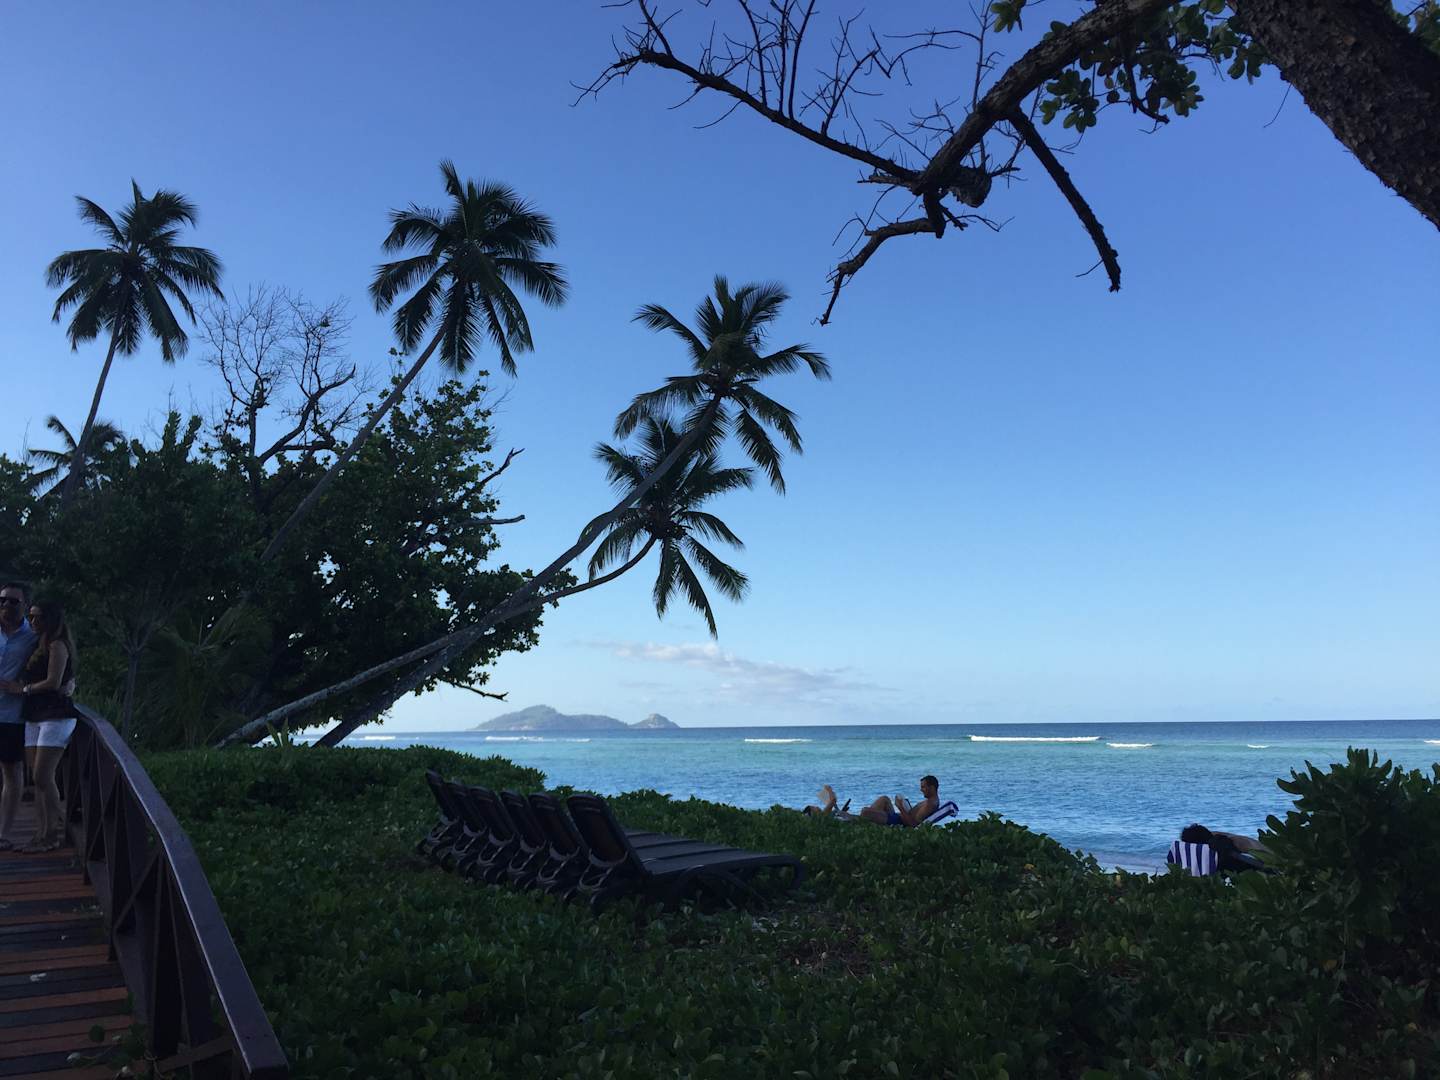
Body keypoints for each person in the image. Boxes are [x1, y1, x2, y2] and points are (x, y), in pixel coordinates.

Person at [11, 598, 79, 853]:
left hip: (55, 715)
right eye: (31, 616)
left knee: (42, 775)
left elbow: (53, 681)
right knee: (38, 780)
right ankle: (40, 834)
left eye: (38, 617)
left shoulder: (57, 644)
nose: (33, 621)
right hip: (34, 715)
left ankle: (52, 834)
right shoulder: (38, 644)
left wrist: (24, 689)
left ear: (51, 619)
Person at [0, 581, 38, 852]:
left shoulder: (33, 636)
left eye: (13, 601)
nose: (6, 605)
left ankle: (3, 833)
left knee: (11, 771)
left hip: (12, 714)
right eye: (2, 600)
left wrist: (24, 687)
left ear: (24, 605)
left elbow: (54, 663)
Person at [805, 775, 942, 827]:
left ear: (932, 787)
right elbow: (913, 818)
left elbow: (912, 824)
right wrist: (903, 806)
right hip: (899, 818)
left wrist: (900, 807)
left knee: (865, 812)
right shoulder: (931, 802)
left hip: (899, 822)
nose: (921, 790)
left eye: (923, 787)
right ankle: (871, 818)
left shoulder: (930, 804)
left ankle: (868, 818)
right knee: (884, 799)